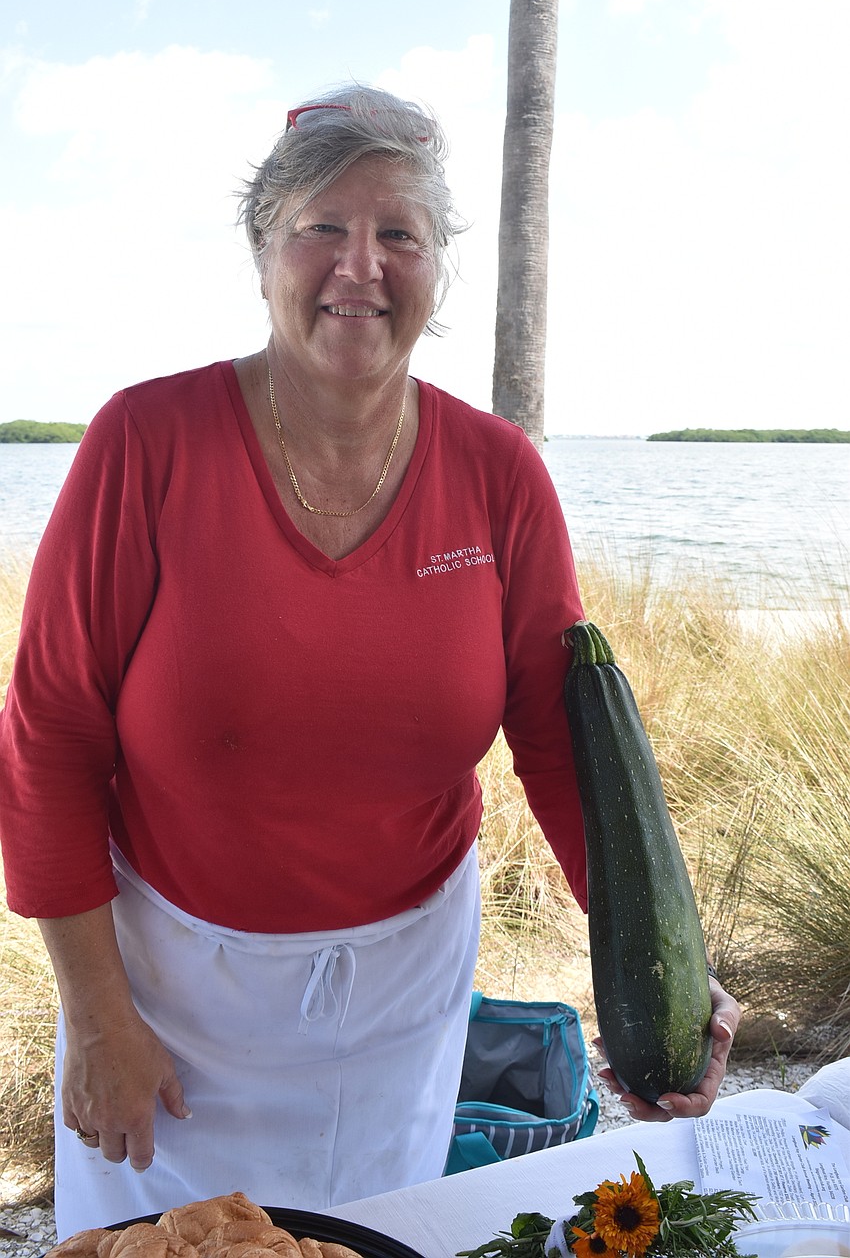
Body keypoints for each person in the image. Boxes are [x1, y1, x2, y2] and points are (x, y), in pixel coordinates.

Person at [0, 85, 740, 1239]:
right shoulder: (143, 443)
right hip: (170, 998)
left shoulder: (498, 475)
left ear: (437, 265)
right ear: (262, 251)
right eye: (321, 229)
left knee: (379, 1235)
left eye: (398, 233)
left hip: (402, 991)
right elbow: (49, 736)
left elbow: (561, 745)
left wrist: (663, 985)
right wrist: (96, 1015)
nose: (361, 266)